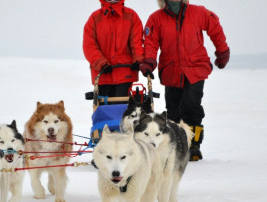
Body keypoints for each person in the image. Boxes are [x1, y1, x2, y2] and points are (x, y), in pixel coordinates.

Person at [139, 0, 230, 161]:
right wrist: (149, 62)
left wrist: (222, 52)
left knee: (192, 106)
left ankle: (194, 146)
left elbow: (215, 29)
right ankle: (176, 146)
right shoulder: (156, 18)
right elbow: (151, 42)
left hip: (195, 69)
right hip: (171, 70)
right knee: (173, 110)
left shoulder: (199, 13)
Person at [83, 0, 144, 101]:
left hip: (125, 73)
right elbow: (89, 46)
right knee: (104, 110)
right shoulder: (95, 18)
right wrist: (101, 63)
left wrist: (138, 60)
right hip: (102, 74)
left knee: (122, 109)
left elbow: (136, 42)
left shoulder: (131, 15)